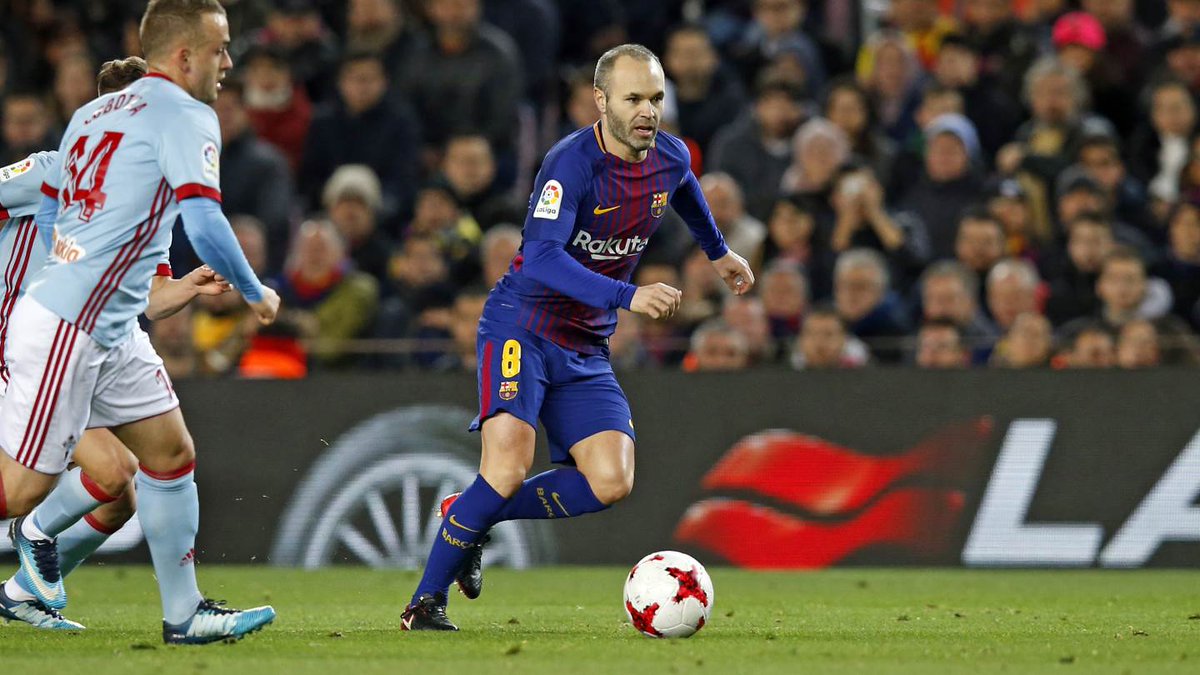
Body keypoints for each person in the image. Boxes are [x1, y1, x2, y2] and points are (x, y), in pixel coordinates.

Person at [401, 43, 754, 631]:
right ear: (601, 100)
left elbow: (686, 187)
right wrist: (628, 295)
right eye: (633, 98)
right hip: (522, 327)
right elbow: (541, 258)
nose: (647, 112)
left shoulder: (669, 156)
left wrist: (718, 252)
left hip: (585, 344)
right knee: (507, 468)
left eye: (656, 98)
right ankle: (425, 603)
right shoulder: (571, 164)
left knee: (612, 481)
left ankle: (471, 514)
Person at [0, 0, 279, 645]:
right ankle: (36, 548)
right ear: (183, 57)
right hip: (67, 324)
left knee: (167, 455)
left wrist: (171, 289)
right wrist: (254, 289)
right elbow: (205, 221)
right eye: (219, 49)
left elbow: (101, 249)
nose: (227, 63)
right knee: (21, 492)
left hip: (107, 325)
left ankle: (184, 615)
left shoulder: (92, 120)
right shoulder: (184, 116)